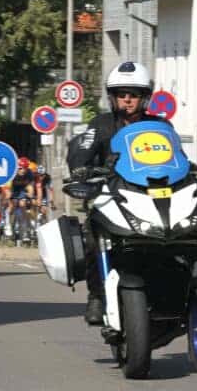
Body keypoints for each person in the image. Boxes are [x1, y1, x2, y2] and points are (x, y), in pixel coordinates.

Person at [67, 61, 160, 325]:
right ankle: (97, 295)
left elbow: (176, 155)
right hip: (112, 195)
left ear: (144, 98)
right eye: (122, 94)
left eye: (133, 94)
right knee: (93, 235)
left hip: (154, 195)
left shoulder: (160, 126)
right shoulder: (101, 124)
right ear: (113, 97)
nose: (127, 100)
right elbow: (81, 153)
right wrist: (82, 170)